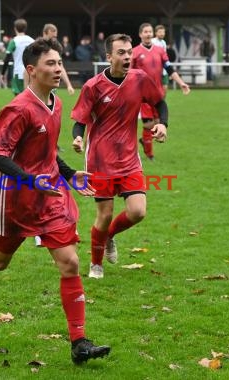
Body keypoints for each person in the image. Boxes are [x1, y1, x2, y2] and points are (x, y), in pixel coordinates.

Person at [0, 38, 111, 364]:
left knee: (70, 262)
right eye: (51, 64)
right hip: (15, 200)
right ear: (31, 70)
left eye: (59, 63)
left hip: (50, 197)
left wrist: (69, 173)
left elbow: (48, 153)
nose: (58, 69)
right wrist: (32, 181)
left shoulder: (56, 104)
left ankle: (79, 343)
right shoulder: (18, 109)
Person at [71, 33, 168, 279]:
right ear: (109, 56)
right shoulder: (93, 86)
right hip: (100, 160)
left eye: (129, 52)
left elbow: (160, 103)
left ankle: (110, 236)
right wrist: (78, 137)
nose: (127, 57)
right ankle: (96, 264)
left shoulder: (140, 79)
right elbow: (80, 120)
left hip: (129, 159)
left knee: (138, 212)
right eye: (121, 53)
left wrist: (163, 124)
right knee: (104, 214)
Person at [131, 23, 190, 161]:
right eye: (145, 32)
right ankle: (149, 153)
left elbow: (169, 69)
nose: (148, 34)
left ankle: (145, 143)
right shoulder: (135, 52)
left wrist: (181, 83)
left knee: (158, 123)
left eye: (150, 31)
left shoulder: (160, 51)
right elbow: (129, 75)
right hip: (143, 96)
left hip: (157, 95)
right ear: (140, 34)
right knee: (148, 124)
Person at [1, 18, 34, 96]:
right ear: (25, 28)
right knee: (31, 97)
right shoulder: (32, 41)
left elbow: (7, 58)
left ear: (15, 28)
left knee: (19, 98)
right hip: (31, 73)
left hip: (18, 73)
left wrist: (2, 73)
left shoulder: (14, 41)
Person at [42, 24, 75, 95]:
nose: (54, 39)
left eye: (55, 37)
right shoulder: (37, 47)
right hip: (38, 85)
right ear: (44, 33)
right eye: (52, 37)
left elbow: (61, 67)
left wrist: (69, 85)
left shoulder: (56, 47)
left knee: (51, 105)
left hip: (51, 85)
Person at [151, 25, 168, 92]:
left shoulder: (164, 42)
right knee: (154, 90)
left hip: (163, 70)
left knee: (165, 88)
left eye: (163, 32)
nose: (162, 34)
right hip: (154, 70)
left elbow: (165, 56)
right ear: (156, 33)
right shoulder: (152, 41)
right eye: (160, 32)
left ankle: (162, 102)